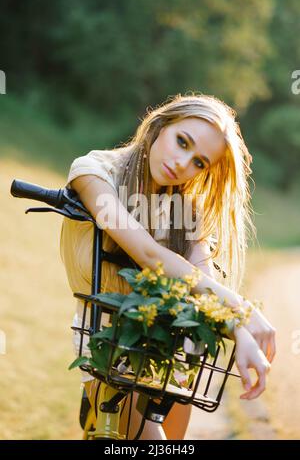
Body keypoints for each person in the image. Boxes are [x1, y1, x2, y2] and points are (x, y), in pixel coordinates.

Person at [60, 93, 276, 440]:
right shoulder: (94, 173)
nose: (182, 163)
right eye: (182, 141)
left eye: (199, 162)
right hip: (107, 341)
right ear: (161, 125)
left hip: (170, 349)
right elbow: (148, 254)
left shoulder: (187, 211)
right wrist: (241, 309)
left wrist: (238, 330)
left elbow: (203, 283)